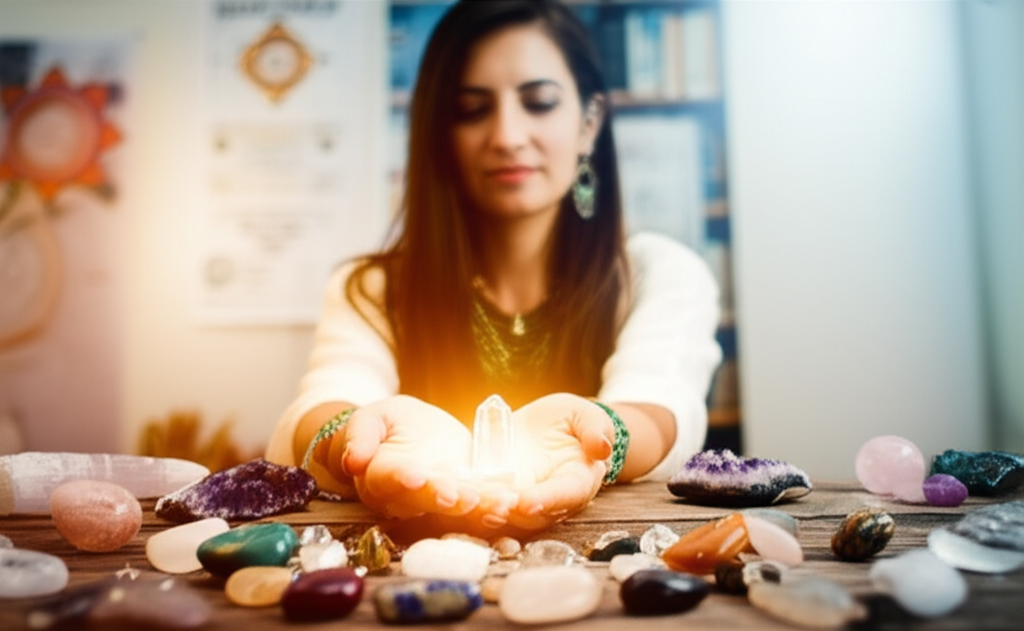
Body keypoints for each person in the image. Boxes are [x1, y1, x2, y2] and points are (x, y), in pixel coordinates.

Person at [265, 0, 722, 538]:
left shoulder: (661, 273)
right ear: (440, 136)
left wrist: (603, 437)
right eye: (472, 109)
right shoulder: (369, 289)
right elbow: (325, 399)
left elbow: (662, 404)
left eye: (540, 102)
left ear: (589, 123)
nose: (507, 135)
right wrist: (354, 439)